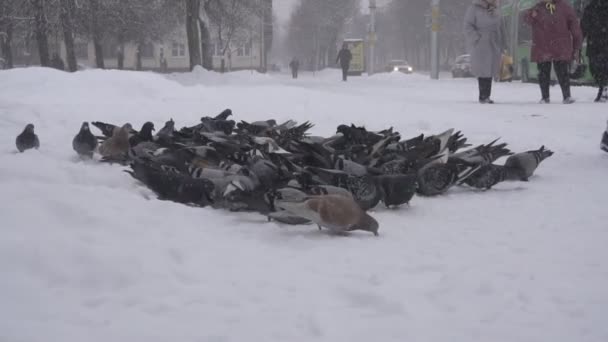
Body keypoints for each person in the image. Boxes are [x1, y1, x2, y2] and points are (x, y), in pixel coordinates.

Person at [524, 0, 582, 104]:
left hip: (554, 45)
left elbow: (575, 28)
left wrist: (577, 44)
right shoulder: (539, 7)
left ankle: (562, 96)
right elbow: (527, 20)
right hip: (547, 45)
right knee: (548, 72)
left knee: (557, 72)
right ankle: (550, 96)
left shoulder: (564, 7)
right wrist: (531, 15)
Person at [464, 0, 504, 104]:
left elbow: (501, 26)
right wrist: (476, 37)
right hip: (481, 43)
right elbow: (468, 25)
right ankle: (483, 96)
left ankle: (487, 96)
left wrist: (502, 42)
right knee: (483, 70)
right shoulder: (474, 8)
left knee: (490, 69)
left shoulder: (496, 9)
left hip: (494, 42)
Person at [581, 0, 608, 103]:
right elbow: (583, 26)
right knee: (594, 68)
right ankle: (603, 86)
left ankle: (603, 88)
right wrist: (580, 39)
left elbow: (583, 26)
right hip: (594, 43)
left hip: (599, 43)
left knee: (600, 67)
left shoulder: (590, 8)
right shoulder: (590, 8)